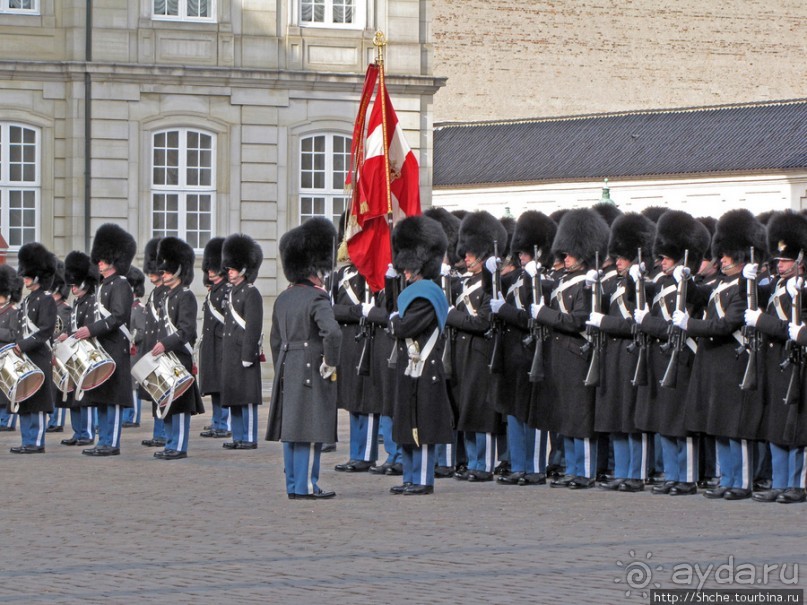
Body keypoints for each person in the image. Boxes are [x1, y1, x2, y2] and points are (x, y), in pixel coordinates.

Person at [681, 209, 767, 500]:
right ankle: (725, 477)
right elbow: (698, 296)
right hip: (713, 361)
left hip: (732, 359)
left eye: (729, 255)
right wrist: (686, 280)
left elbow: (727, 323)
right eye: (722, 254)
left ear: (741, 256)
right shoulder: (719, 283)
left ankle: (741, 481)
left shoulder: (744, 287)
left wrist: (691, 325)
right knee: (718, 422)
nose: (723, 259)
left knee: (735, 424)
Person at [633, 210, 711, 496]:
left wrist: (686, 281)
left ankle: (686, 477)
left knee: (681, 420)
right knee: (664, 418)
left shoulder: (690, 285)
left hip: (683, 357)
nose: (661, 262)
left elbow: (676, 323)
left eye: (666, 258)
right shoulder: (662, 284)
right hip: (660, 357)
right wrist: (634, 279)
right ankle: (671, 474)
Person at [532, 208, 610, 489]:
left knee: (580, 417)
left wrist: (544, 314)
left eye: (568, 254)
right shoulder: (564, 280)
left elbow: (578, 320)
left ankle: (584, 471)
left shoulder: (589, 284)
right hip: (559, 354)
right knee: (566, 415)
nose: (564, 258)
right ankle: (572, 468)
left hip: (577, 353)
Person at [266, 218, 341, 499]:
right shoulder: (317, 298)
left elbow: (275, 340)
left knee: (291, 430)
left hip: (288, 366)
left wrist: (283, 366)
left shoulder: (283, 298)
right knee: (311, 430)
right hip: (312, 366)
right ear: (314, 269)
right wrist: (330, 362)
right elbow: (332, 333)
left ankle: (293, 485)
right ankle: (307, 486)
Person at [588, 213, 656, 492]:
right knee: (615, 415)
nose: (617, 261)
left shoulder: (644, 285)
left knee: (631, 417)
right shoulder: (614, 283)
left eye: (622, 257)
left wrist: (605, 322)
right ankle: (622, 471)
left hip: (632, 353)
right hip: (613, 355)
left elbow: (637, 324)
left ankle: (636, 473)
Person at [489, 210, 557, 486]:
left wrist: (506, 310)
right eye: (520, 253)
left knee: (534, 413)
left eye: (526, 253)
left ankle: (536, 467)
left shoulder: (547, 281)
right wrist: (488, 272)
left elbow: (534, 318)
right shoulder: (516, 278)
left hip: (534, 352)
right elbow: (492, 290)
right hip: (513, 352)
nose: (521, 257)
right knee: (515, 412)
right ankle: (518, 465)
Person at [387, 215, 453, 495]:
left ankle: (423, 479)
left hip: (426, 368)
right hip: (410, 367)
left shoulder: (429, 294)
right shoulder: (413, 291)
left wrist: (392, 321)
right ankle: (409, 477)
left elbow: (404, 325)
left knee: (423, 427)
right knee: (406, 425)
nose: (405, 272)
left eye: (409, 267)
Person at [750, 211, 807, 503]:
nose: (781, 265)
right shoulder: (776, 285)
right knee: (775, 424)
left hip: (795, 362)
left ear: (800, 261)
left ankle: (796, 484)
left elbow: (792, 329)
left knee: (794, 428)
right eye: (779, 261)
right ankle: (780, 480)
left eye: (786, 260)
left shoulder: (802, 290)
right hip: (775, 362)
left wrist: (762, 322)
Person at [446, 211, 507, 482]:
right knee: (465, 407)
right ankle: (472, 461)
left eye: (471, 254)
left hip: (480, 351)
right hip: (462, 351)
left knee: (480, 411)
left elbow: (482, 321)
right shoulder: (465, 282)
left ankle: (484, 463)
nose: (466, 258)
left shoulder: (490, 284)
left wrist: (451, 315)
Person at [75, 223, 136, 457]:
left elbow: (119, 316)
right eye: (98, 259)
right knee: (101, 397)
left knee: (113, 399)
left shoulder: (121, 284)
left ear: (113, 259)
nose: (98, 262)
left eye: (103, 259)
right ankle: (103, 440)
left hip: (114, 347)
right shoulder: (103, 286)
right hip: (101, 348)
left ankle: (112, 443)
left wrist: (91, 330)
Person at [150, 236, 205, 459]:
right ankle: (170, 442)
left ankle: (178, 446)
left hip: (179, 356)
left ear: (178, 270)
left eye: (166, 270)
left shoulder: (186, 296)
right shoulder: (167, 296)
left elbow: (186, 331)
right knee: (167, 401)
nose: (162, 273)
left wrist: (165, 344)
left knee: (180, 403)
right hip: (165, 356)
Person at [10, 243, 57, 454]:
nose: (25, 279)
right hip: (26, 355)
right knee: (24, 397)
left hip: (38, 355)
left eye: (28, 276)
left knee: (37, 400)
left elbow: (45, 330)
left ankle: (37, 442)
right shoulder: (28, 300)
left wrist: (24, 344)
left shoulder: (46, 299)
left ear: (37, 275)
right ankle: (27, 440)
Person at [221, 233, 264, 450]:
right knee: (234, 397)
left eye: (232, 268)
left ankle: (249, 437)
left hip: (243, 352)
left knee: (246, 399)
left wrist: (248, 355)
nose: (228, 271)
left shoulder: (251, 293)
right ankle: (238, 436)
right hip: (231, 352)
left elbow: (253, 327)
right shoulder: (231, 293)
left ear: (243, 269)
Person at [58, 251, 101, 447]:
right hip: (74, 354)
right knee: (74, 398)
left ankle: (88, 433)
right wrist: (65, 334)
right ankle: (78, 431)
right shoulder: (78, 303)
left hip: (85, 354)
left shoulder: (92, 301)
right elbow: (72, 325)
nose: (73, 288)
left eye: (75, 285)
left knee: (86, 397)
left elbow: (89, 327)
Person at [198, 237, 232, 439]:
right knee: (213, 386)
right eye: (208, 268)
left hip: (221, 344)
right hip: (211, 344)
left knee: (222, 386)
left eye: (213, 267)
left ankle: (223, 423)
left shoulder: (226, 290)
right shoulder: (213, 292)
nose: (210, 271)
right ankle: (216, 420)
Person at [139, 238, 168, 448]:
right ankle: (159, 433)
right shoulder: (155, 292)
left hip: (162, 350)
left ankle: (164, 433)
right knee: (156, 394)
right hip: (152, 350)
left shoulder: (166, 292)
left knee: (164, 395)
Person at [46, 262, 71, 433]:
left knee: (58, 386)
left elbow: (66, 329)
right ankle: (52, 419)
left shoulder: (65, 309)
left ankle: (58, 420)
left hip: (60, 350)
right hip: (48, 349)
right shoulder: (49, 306)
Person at [123, 266, 146, 428]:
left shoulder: (139, 309)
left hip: (135, 351)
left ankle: (134, 416)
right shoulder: (128, 308)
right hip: (126, 351)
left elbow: (141, 332)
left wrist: (129, 338)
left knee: (134, 385)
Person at [0, 266, 21, 433]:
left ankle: (8, 420)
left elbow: (15, 335)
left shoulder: (13, 312)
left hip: (8, 357)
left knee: (7, 391)